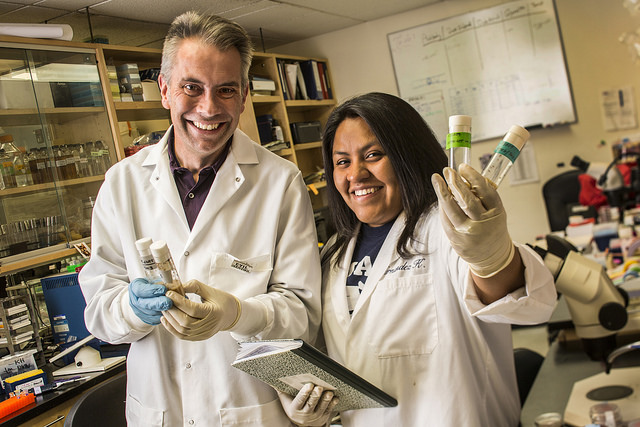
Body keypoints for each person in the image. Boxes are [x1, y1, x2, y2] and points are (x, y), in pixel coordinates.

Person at [78, 11, 321, 426]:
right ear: (165, 90)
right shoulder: (122, 184)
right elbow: (101, 312)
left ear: (244, 95)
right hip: (159, 410)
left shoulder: (280, 182)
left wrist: (236, 314)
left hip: (249, 411)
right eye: (192, 87)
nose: (208, 108)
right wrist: (133, 310)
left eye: (225, 89)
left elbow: (302, 313)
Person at [278, 92, 557, 427]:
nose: (356, 174)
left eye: (373, 155)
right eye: (342, 162)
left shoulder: (447, 227)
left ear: (407, 155)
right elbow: (327, 357)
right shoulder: (333, 254)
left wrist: (492, 259)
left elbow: (518, 301)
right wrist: (305, 406)